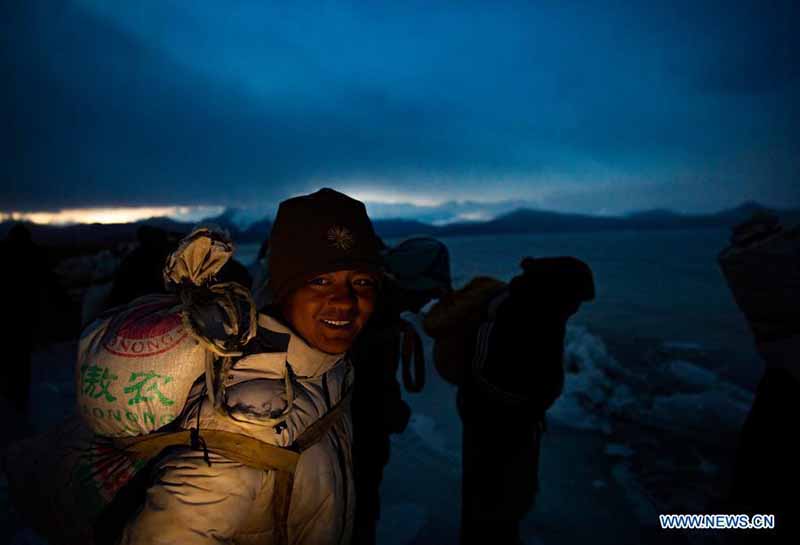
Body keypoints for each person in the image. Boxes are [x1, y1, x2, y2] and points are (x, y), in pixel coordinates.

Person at [119, 188, 384, 545]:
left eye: (362, 282)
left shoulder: (329, 367)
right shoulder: (250, 417)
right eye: (320, 281)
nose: (346, 301)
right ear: (283, 288)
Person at [424, 257, 594, 545]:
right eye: (576, 299)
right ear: (560, 291)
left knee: (507, 494)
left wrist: (530, 405)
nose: (576, 308)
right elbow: (480, 371)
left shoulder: (546, 312)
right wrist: (523, 404)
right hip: (491, 421)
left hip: (512, 420)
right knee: (489, 496)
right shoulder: (512, 311)